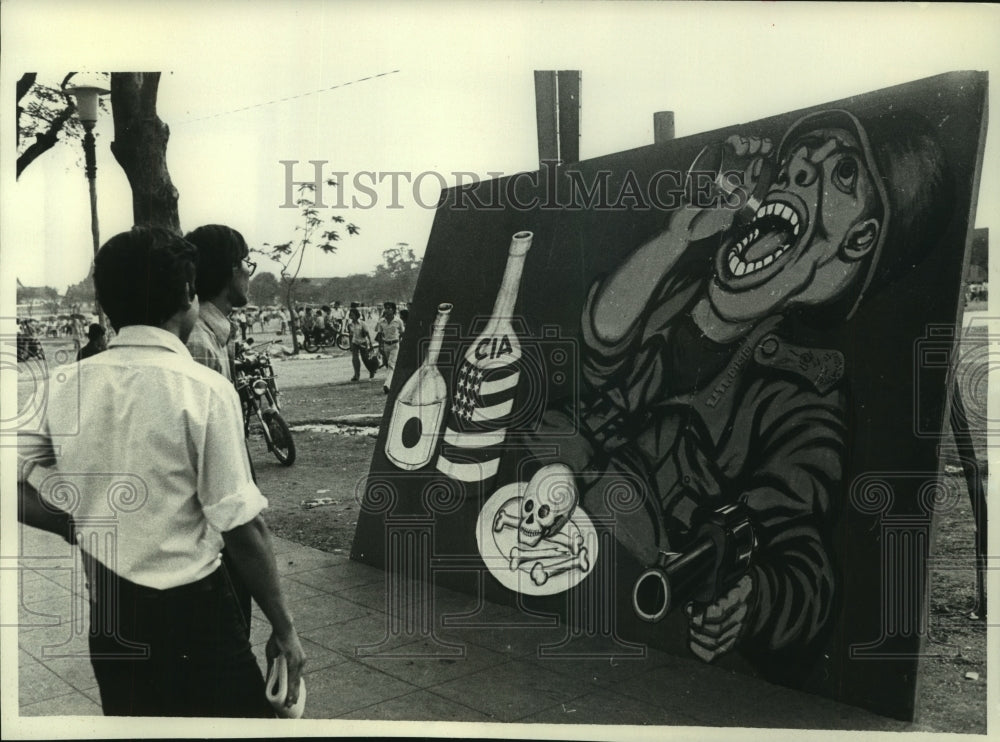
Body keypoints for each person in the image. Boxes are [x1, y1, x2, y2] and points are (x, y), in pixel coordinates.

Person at [523, 109, 953, 676]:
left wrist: (751, 600)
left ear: (857, 243)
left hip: (622, 584)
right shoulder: (679, 290)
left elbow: (800, 554)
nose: (799, 170)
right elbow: (603, 341)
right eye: (801, 159)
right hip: (537, 532)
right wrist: (680, 236)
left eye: (843, 174)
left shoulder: (804, 390)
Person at [17, 226, 305, 717]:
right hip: (195, 613)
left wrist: (80, 524)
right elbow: (241, 525)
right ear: (188, 297)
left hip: (111, 615)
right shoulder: (204, 389)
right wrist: (285, 628)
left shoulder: (64, 384)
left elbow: (13, 483)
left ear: (106, 305)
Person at [185, 224, 256, 383]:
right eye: (248, 262)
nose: (249, 272)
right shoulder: (199, 344)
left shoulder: (214, 333)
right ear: (231, 267)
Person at [375, 301, 405, 394]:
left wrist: (399, 340)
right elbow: (379, 334)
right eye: (386, 308)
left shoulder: (398, 321)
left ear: (393, 310)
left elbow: (402, 332)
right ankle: (394, 382)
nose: (387, 310)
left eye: (389, 308)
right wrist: (380, 346)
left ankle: (387, 385)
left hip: (395, 345)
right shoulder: (381, 321)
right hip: (386, 345)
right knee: (389, 364)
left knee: (391, 364)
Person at [347, 307, 374, 381]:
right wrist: (350, 345)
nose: (351, 317)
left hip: (363, 342)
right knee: (355, 359)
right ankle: (356, 375)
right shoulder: (350, 324)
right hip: (355, 342)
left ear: (356, 315)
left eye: (352, 315)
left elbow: (367, 334)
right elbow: (350, 335)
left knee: (365, 358)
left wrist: (370, 343)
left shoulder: (362, 323)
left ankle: (372, 371)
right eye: (350, 315)